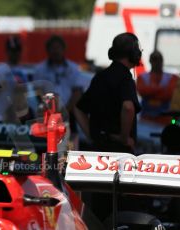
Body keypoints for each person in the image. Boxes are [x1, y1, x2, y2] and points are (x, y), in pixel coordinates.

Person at [74, 32, 142, 221]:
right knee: (122, 212)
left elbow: (78, 109)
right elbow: (128, 107)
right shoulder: (125, 79)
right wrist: (123, 136)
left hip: (99, 153)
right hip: (120, 154)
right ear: (133, 54)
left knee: (101, 210)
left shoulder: (100, 77)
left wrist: (92, 134)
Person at [33, 35, 90, 150]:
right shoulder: (40, 69)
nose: (55, 51)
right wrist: (49, 112)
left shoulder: (73, 68)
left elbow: (77, 92)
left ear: (63, 49)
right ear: (47, 50)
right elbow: (38, 93)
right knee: (48, 148)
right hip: (47, 115)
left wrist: (65, 112)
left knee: (70, 147)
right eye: (52, 48)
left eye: (58, 48)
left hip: (69, 114)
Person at [137, 50, 178, 125]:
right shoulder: (142, 77)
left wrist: (150, 91)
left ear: (162, 60)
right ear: (150, 61)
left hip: (165, 120)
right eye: (154, 59)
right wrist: (163, 89)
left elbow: (168, 95)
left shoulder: (172, 77)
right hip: (146, 119)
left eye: (159, 59)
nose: (157, 62)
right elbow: (142, 91)